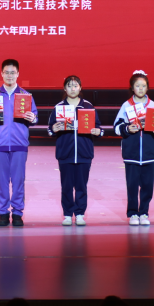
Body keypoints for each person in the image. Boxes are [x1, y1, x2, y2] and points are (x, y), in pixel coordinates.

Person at [0, 59, 37, 227]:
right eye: (7, 72)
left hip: (20, 144)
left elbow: (34, 117)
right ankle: (3, 212)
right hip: (0, 144)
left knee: (18, 180)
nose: (10, 75)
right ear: (1, 74)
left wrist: (33, 118)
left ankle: (18, 213)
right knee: (2, 181)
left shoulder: (25, 96)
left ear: (18, 74)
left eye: (13, 72)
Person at [46, 75, 102, 226]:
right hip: (65, 154)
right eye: (69, 86)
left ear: (80, 88)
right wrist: (53, 129)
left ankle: (80, 214)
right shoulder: (59, 107)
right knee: (66, 186)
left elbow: (99, 127)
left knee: (81, 186)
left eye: (75, 85)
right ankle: (67, 214)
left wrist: (97, 131)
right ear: (64, 88)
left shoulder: (88, 106)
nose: (72, 88)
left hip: (84, 154)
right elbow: (50, 129)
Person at [113, 70, 154, 225]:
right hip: (131, 153)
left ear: (147, 87)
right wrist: (127, 128)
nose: (140, 89)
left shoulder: (153, 105)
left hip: (149, 153)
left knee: (148, 185)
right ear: (132, 87)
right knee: (132, 185)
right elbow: (116, 127)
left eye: (143, 86)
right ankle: (133, 214)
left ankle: (144, 213)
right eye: (137, 85)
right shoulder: (126, 105)